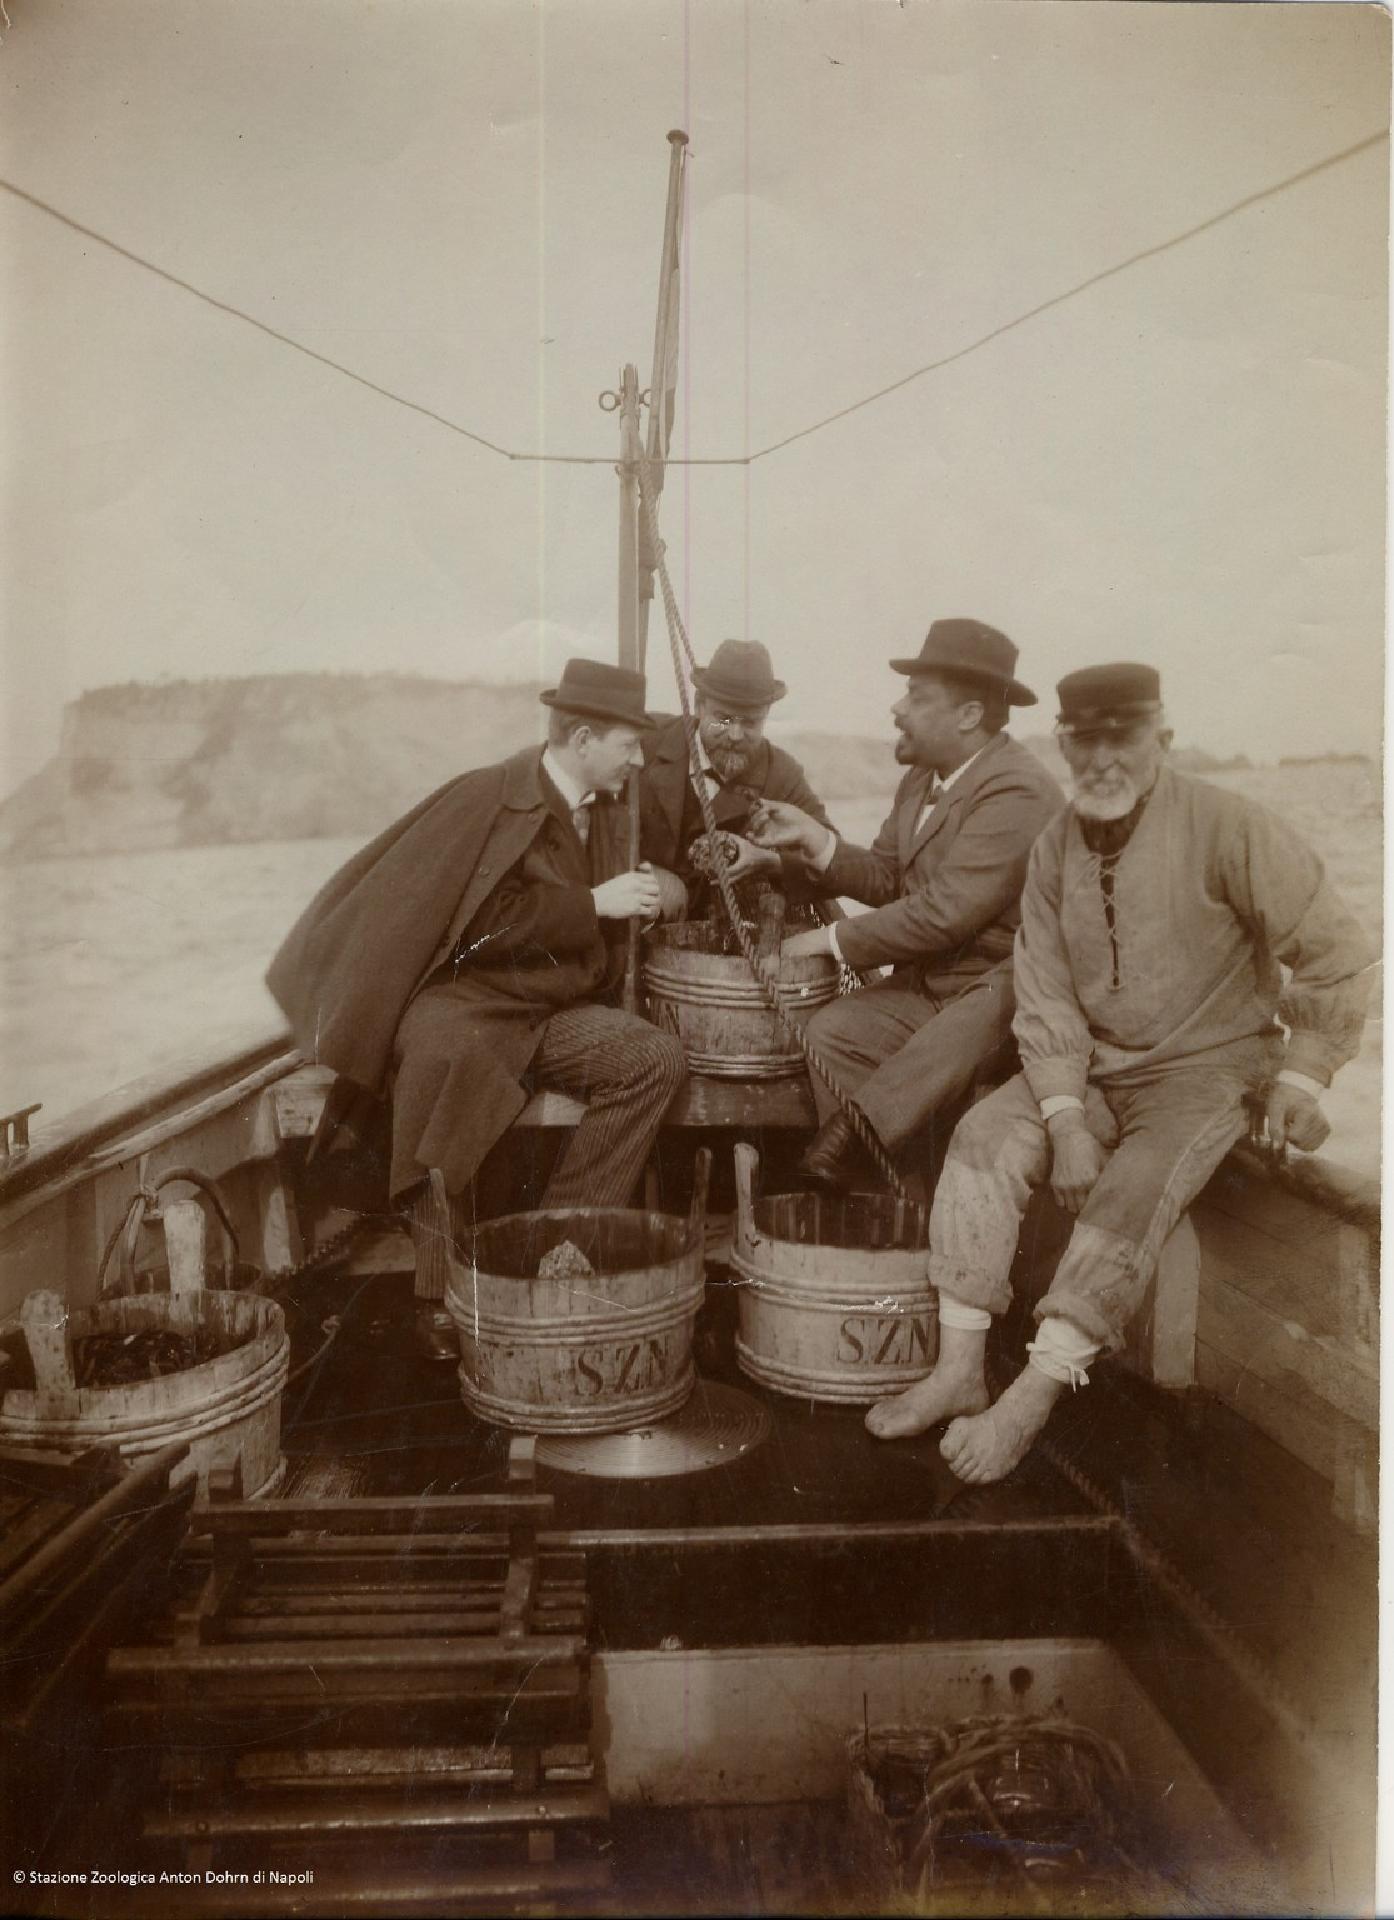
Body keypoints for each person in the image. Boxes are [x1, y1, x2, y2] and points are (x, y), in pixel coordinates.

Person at [866, 662, 1372, 1480]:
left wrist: (1304, 1078)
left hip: (1208, 1071)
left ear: (1161, 738)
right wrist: (1065, 1118)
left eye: (1124, 737)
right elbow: (1045, 994)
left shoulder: (1231, 827)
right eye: (1085, 739)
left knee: (1130, 1193)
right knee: (982, 1137)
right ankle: (959, 1372)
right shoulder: (1055, 849)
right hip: (1095, 1068)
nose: (1104, 759)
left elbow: (1340, 956)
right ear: (1062, 743)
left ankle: (1028, 1399)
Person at [266, 658, 687, 1342]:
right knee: (435, 1065)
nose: (640, 759)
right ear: (581, 740)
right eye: (627, 744)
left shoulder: (615, 808)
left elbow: (670, 871)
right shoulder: (490, 798)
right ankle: (436, 1294)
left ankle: (561, 1248)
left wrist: (668, 888)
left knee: (654, 1060)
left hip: (553, 1009)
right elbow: (482, 929)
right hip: (471, 1003)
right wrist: (592, 904)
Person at [746, 619, 1062, 1188]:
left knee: (994, 997)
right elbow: (890, 876)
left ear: (968, 715)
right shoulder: (922, 778)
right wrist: (816, 841)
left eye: (916, 697)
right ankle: (884, 1202)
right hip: (929, 989)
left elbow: (945, 913)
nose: (897, 709)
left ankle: (857, 1149)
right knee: (834, 1031)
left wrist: (832, 940)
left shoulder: (1019, 790)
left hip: (999, 1000)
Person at [639, 639, 834, 915]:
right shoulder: (645, 744)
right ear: (699, 706)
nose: (735, 736)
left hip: (731, 944)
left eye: (751, 722)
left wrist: (768, 861)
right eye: (723, 718)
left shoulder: (783, 775)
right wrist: (646, 876)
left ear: (766, 716)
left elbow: (832, 858)